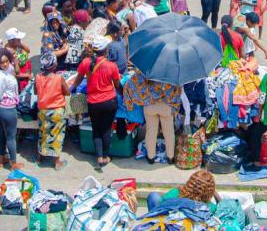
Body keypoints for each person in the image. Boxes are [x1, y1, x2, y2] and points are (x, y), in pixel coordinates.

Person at [71, 36, 122, 168]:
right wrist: (124, 95)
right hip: (110, 101)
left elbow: (77, 80)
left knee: (96, 129)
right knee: (106, 128)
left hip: (93, 103)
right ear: (105, 51)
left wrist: (72, 89)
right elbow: (117, 85)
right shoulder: (111, 66)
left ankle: (99, 157)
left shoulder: (85, 63)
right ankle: (106, 156)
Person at [123, 69, 182, 164]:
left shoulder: (144, 70)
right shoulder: (171, 71)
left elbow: (128, 85)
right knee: (169, 132)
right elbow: (178, 91)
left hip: (149, 105)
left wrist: (129, 103)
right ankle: (170, 158)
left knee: (151, 132)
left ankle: (151, 157)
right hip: (166, 106)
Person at [35, 53, 70, 171]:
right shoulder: (58, 78)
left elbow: (35, 91)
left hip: (42, 110)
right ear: (54, 65)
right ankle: (57, 162)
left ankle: (40, 157)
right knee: (57, 135)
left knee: (43, 133)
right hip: (56, 111)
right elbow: (67, 92)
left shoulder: (38, 77)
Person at [0, 48, 22, 169]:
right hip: (7, 109)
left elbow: (14, 70)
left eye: (7, 61)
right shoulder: (0, 77)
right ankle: (14, 164)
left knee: (3, 134)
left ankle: (2, 160)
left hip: (3, 109)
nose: (5, 64)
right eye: (2, 62)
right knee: (11, 136)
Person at [146, 170, 221, 212]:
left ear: (190, 182)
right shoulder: (209, 207)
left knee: (154, 196)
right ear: (209, 191)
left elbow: (162, 203)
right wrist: (214, 193)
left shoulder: (175, 192)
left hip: (167, 224)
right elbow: (222, 206)